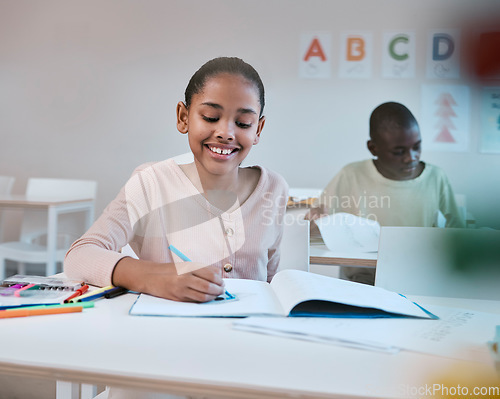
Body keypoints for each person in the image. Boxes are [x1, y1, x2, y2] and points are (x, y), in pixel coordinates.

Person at [64, 57, 288, 304]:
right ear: (183, 117)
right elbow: (79, 255)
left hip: (250, 334)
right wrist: (153, 277)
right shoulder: (150, 183)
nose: (226, 132)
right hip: (167, 335)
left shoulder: (274, 188)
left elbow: (271, 281)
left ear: (258, 129)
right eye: (211, 117)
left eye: (243, 123)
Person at [306, 101, 465, 284]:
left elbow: (459, 231)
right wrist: (316, 222)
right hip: (362, 277)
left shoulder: (436, 177)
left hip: (415, 274)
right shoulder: (351, 174)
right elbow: (317, 222)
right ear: (373, 148)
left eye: (417, 147)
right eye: (399, 151)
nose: (411, 157)